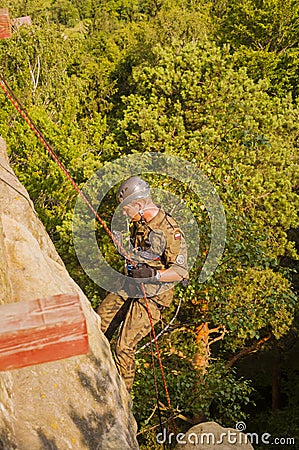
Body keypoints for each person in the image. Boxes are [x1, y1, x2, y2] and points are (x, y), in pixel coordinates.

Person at [96, 176, 188, 391]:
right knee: (98, 325)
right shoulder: (139, 223)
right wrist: (123, 248)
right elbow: (140, 254)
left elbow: (180, 272)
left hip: (154, 296)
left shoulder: (168, 230)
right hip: (130, 285)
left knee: (123, 347)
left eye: (126, 209)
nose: (124, 213)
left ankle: (122, 398)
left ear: (138, 205)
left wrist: (153, 275)